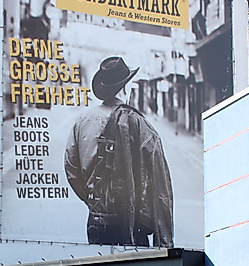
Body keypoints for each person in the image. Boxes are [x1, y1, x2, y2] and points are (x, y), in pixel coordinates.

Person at [64, 56, 174, 247]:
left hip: (97, 220)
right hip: (132, 225)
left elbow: (71, 169)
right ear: (125, 88)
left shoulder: (82, 120)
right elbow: (159, 184)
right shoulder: (139, 124)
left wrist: (94, 202)